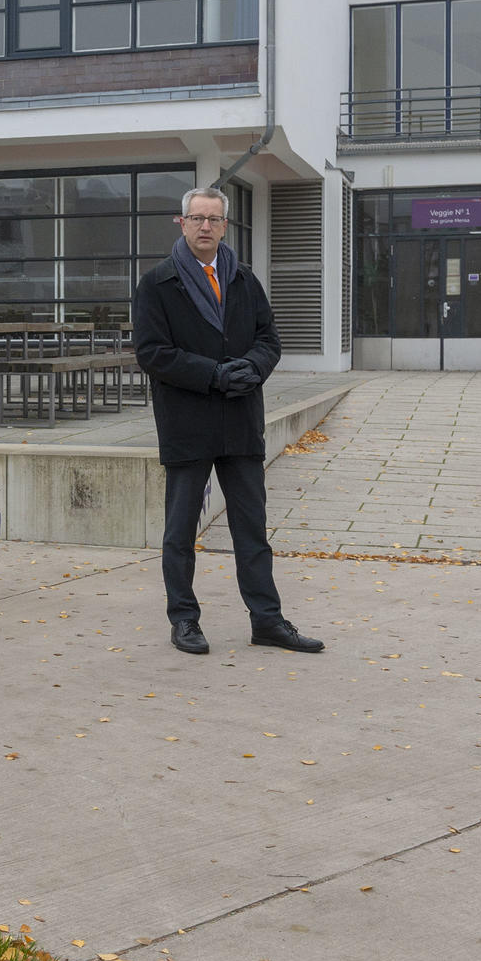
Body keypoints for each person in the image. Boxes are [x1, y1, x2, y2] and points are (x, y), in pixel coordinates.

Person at [132, 186, 324, 657]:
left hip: (239, 421)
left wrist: (253, 368)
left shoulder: (244, 279)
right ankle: (184, 620)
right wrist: (212, 374)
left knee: (251, 530)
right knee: (180, 532)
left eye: (214, 219)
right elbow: (153, 353)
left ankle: (267, 620)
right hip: (187, 422)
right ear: (182, 223)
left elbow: (269, 338)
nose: (205, 227)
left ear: (224, 226)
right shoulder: (157, 283)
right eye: (196, 218)